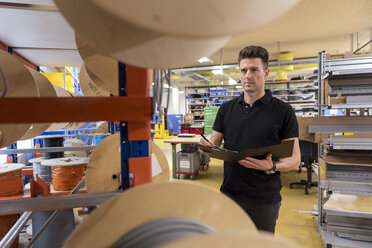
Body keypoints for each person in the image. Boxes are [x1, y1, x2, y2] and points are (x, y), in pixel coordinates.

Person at [198, 45, 301, 233]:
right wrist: (207, 146)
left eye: (254, 69)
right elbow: (215, 142)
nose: (248, 75)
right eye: (243, 70)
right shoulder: (226, 109)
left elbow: (295, 159)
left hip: (264, 200)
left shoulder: (283, 111)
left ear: (266, 72)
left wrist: (272, 166)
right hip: (230, 194)